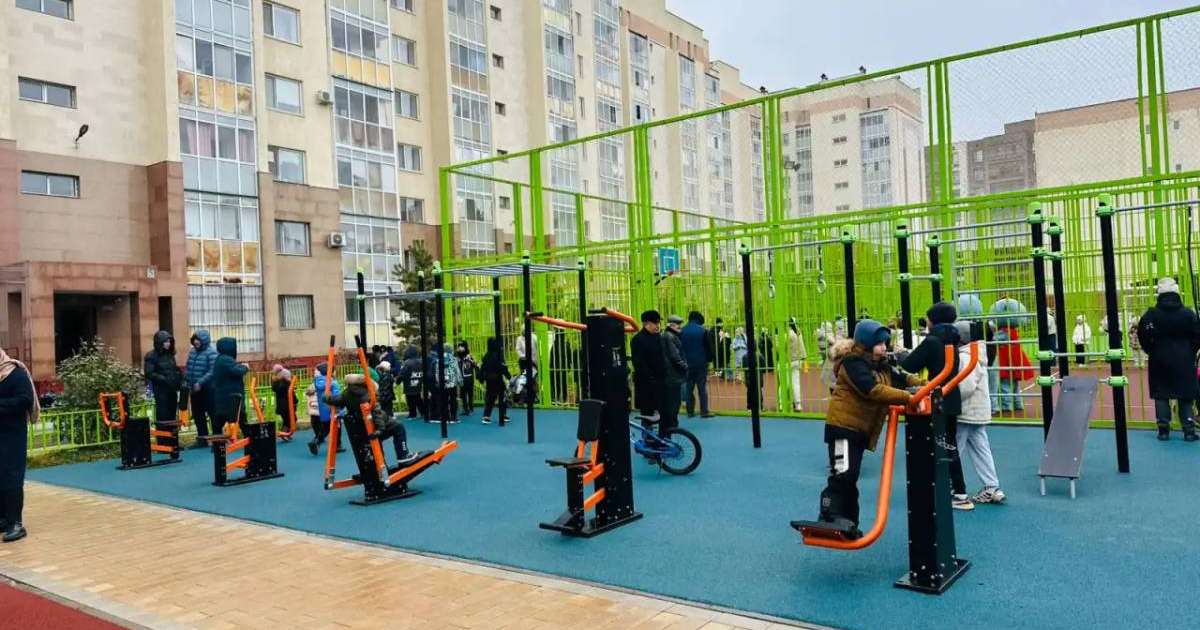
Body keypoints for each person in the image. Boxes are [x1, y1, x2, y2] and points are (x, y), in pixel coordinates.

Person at [795, 320, 922, 538]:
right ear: (866, 343)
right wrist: (909, 397)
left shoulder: (879, 364)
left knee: (850, 476)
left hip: (858, 429)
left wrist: (925, 384)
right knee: (842, 473)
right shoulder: (852, 363)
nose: (884, 347)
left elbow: (901, 378)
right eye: (879, 343)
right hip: (843, 427)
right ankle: (828, 514)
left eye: (885, 343)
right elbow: (871, 389)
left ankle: (847, 522)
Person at [901, 302, 973, 510]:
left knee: (929, 445)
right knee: (949, 445)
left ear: (934, 319)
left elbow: (910, 365)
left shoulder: (932, 341)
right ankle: (958, 490)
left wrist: (901, 354)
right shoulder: (953, 340)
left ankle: (938, 488)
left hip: (934, 399)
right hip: (951, 396)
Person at [1137, 277, 1200, 441]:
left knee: (1161, 393)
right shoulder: (1188, 314)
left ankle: (1163, 429)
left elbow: (1142, 335)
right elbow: (1197, 336)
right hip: (1185, 359)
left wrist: (1151, 350)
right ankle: (1189, 429)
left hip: (1159, 358)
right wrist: (1190, 351)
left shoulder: (1151, 315)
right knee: (1186, 394)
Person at [953, 321, 1006, 504]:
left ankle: (948, 487)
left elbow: (966, 385)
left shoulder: (967, 357)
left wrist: (950, 398)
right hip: (979, 411)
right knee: (981, 448)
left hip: (967, 410)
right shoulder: (979, 352)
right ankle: (992, 485)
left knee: (953, 450)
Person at [326, 373, 419, 466]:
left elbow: (335, 400)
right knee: (399, 427)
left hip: (362, 427)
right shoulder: (368, 394)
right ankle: (403, 456)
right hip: (374, 425)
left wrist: (326, 398)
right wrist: (380, 429)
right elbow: (376, 412)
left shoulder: (346, 394)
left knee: (377, 438)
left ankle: (381, 464)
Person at [0, 348, 38, 542]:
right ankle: (3, 519)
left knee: (11, 477)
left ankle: (16, 523)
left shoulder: (16, 374)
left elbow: (25, 400)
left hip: (12, 435)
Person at [185, 330, 218, 448]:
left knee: (213, 414)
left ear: (204, 341)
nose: (196, 342)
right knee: (198, 414)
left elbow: (212, 371)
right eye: (194, 340)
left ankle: (217, 439)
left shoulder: (211, 352)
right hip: (195, 388)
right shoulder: (193, 352)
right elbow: (188, 367)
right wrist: (187, 381)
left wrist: (200, 382)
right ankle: (202, 439)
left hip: (208, 389)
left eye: (198, 340)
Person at [210, 337, 250, 436]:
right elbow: (237, 371)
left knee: (219, 421)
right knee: (241, 418)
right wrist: (245, 367)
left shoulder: (220, 359)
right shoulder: (226, 359)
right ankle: (250, 441)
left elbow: (233, 369)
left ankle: (217, 444)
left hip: (223, 396)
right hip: (232, 397)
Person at [143, 331, 183, 427]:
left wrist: (178, 377)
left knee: (172, 414)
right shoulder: (151, 356)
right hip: (161, 390)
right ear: (159, 342)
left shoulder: (170, 354)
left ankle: (172, 438)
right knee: (163, 415)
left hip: (172, 389)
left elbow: (173, 369)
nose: (168, 344)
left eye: (169, 341)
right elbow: (149, 373)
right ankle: (163, 438)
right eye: (166, 342)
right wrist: (164, 379)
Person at [680, 311, 713, 418]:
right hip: (701, 363)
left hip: (686, 364)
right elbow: (709, 348)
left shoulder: (682, 331)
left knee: (689, 388)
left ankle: (690, 411)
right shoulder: (703, 331)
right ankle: (704, 411)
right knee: (702, 388)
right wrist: (709, 360)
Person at [661, 315, 689, 431]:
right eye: (678, 324)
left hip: (671, 374)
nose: (680, 326)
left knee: (673, 401)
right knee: (673, 402)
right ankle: (672, 425)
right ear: (671, 325)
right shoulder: (670, 337)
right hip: (673, 375)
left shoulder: (668, 336)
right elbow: (675, 356)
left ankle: (671, 424)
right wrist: (685, 366)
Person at [308, 363, 343, 455]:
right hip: (332, 408)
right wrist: (340, 409)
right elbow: (337, 396)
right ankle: (336, 445)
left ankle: (316, 441)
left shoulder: (317, 382)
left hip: (323, 408)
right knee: (334, 427)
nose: (314, 372)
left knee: (325, 427)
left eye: (316, 371)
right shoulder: (332, 382)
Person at [479, 338, 511, 425]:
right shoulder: (499, 355)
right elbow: (503, 367)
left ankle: (486, 416)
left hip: (489, 380)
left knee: (490, 399)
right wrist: (508, 376)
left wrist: (481, 379)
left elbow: (482, 368)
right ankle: (503, 415)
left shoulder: (486, 356)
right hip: (498, 379)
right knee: (502, 397)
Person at [427, 343, 462, 424]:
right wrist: (460, 382)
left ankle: (446, 418)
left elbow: (437, 372)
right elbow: (457, 371)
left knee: (444, 401)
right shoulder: (454, 359)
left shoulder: (439, 360)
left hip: (442, 383)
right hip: (452, 383)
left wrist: (438, 381)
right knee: (453, 400)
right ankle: (453, 418)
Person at [397, 346, 424, 419]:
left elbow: (402, 374)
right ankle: (423, 412)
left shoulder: (407, 363)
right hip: (418, 383)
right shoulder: (421, 361)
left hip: (409, 384)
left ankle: (412, 414)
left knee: (410, 400)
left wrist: (398, 381)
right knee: (418, 399)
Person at [787, 317, 808, 412]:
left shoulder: (788, 334)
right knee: (795, 383)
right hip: (797, 360)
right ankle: (798, 404)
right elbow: (802, 345)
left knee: (787, 383)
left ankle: (786, 403)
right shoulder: (798, 332)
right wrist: (804, 356)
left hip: (789, 361)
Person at [270, 364, 295, 435]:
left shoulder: (284, 381)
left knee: (287, 417)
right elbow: (275, 389)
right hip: (283, 402)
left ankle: (285, 431)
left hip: (285, 401)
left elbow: (278, 389)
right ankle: (285, 431)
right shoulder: (281, 382)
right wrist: (275, 381)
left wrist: (276, 381)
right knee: (287, 417)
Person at [456, 342, 477, 416]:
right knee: (463, 395)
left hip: (469, 378)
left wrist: (470, 359)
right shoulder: (457, 357)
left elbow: (475, 365)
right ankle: (466, 409)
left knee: (470, 394)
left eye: (460, 347)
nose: (459, 348)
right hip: (462, 379)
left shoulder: (469, 356)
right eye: (458, 347)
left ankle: (471, 408)